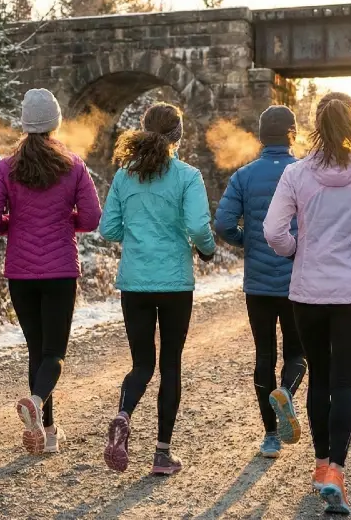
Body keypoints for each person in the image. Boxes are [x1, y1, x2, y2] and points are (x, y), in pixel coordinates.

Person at [263, 92, 351, 515]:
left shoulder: (296, 174)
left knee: (321, 379)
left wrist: (297, 248)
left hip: (308, 294)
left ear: (316, 126)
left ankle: (320, 464)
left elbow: (273, 232)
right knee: (344, 385)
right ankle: (336, 475)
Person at [0, 88, 102, 455]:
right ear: (55, 124)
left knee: (37, 349)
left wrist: (11, 227)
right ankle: (37, 406)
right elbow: (93, 217)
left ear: (24, 124)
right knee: (55, 353)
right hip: (61, 270)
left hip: (20, 271)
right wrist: (68, 223)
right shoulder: (73, 165)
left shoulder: (7, 167)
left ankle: (48, 430)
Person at [98, 102, 215, 476]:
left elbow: (108, 229)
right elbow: (198, 226)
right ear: (178, 136)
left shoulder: (124, 176)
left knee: (142, 364)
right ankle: (162, 455)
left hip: (135, 282)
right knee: (170, 365)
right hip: (175, 283)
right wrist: (207, 250)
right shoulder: (187, 176)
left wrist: (136, 234)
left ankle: (123, 414)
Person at [214, 105, 305, 459]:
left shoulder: (243, 176)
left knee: (264, 354)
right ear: (292, 135)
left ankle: (269, 436)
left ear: (261, 137)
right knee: (297, 351)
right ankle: (287, 392)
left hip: (259, 285)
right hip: (299, 281)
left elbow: (222, 225)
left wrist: (247, 241)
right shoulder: (304, 172)